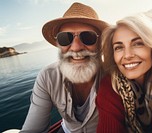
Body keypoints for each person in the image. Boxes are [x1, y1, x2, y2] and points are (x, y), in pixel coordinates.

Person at [20, 2, 108, 133]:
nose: (76, 47)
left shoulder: (115, 75)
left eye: (87, 37)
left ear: (101, 43)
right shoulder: (48, 76)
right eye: (65, 38)